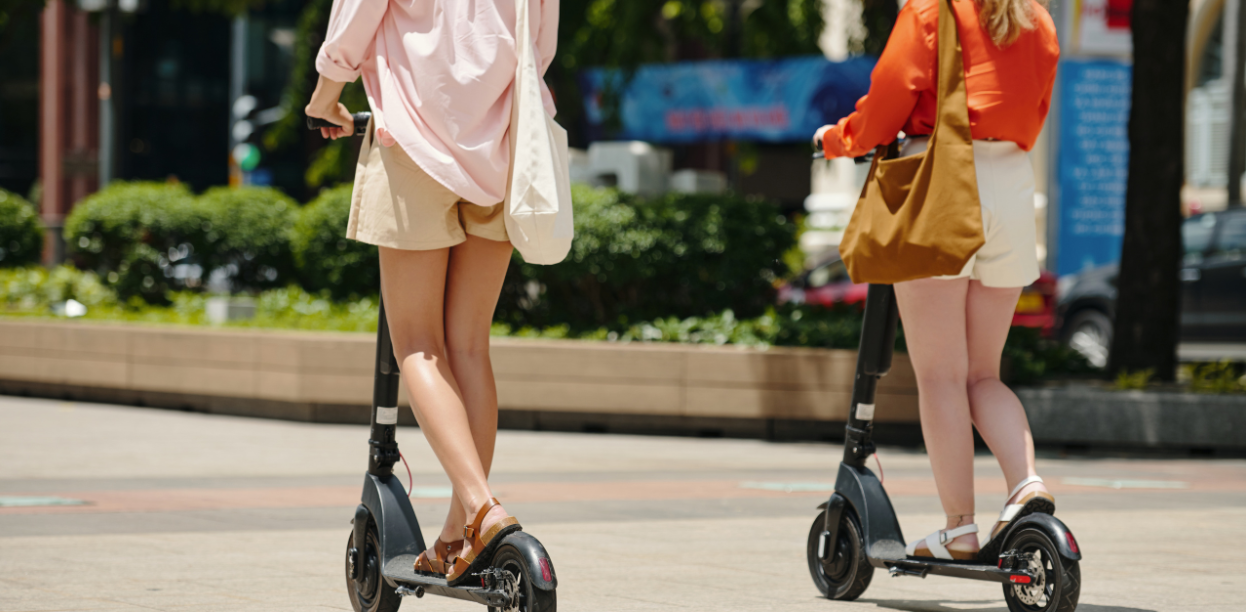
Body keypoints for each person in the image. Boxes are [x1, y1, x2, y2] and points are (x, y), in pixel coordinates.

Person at [304, 0, 559, 583]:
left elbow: (356, 16)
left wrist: (325, 98)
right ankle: (455, 535)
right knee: (469, 346)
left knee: (418, 345)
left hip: (412, 143)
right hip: (505, 147)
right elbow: (539, 46)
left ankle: (483, 508)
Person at [814, 0, 1059, 561]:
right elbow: (1035, 108)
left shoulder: (933, 9)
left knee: (942, 376)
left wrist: (835, 138)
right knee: (982, 375)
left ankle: (959, 528)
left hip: (941, 181)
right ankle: (1026, 484)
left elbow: (885, 105)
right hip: (1012, 185)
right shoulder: (1036, 18)